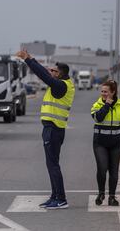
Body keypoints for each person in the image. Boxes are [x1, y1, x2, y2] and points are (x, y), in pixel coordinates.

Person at [16, 49, 75, 210]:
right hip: (52, 128)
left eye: (54, 71)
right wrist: (33, 59)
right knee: (51, 164)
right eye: (52, 70)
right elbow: (45, 73)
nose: (51, 72)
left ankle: (61, 199)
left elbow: (43, 75)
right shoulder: (61, 84)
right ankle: (55, 196)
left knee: (53, 164)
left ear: (61, 74)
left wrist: (29, 59)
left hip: (54, 129)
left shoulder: (61, 86)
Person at [91, 80, 120, 206]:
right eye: (102, 91)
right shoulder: (97, 105)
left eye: (106, 92)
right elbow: (98, 118)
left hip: (116, 144)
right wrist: (106, 105)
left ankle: (112, 197)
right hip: (100, 143)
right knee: (102, 168)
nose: (103, 94)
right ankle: (101, 193)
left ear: (113, 92)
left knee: (114, 171)